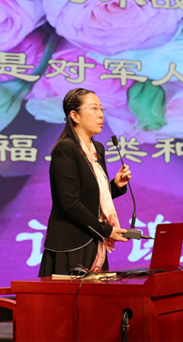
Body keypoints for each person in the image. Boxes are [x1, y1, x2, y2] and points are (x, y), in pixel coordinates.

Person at [38, 88, 131, 276]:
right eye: (94, 108)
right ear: (75, 116)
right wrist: (105, 231)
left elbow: (91, 196)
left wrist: (114, 186)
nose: (100, 115)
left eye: (102, 109)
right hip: (72, 244)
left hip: (94, 239)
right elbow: (69, 203)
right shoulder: (66, 149)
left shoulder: (97, 148)